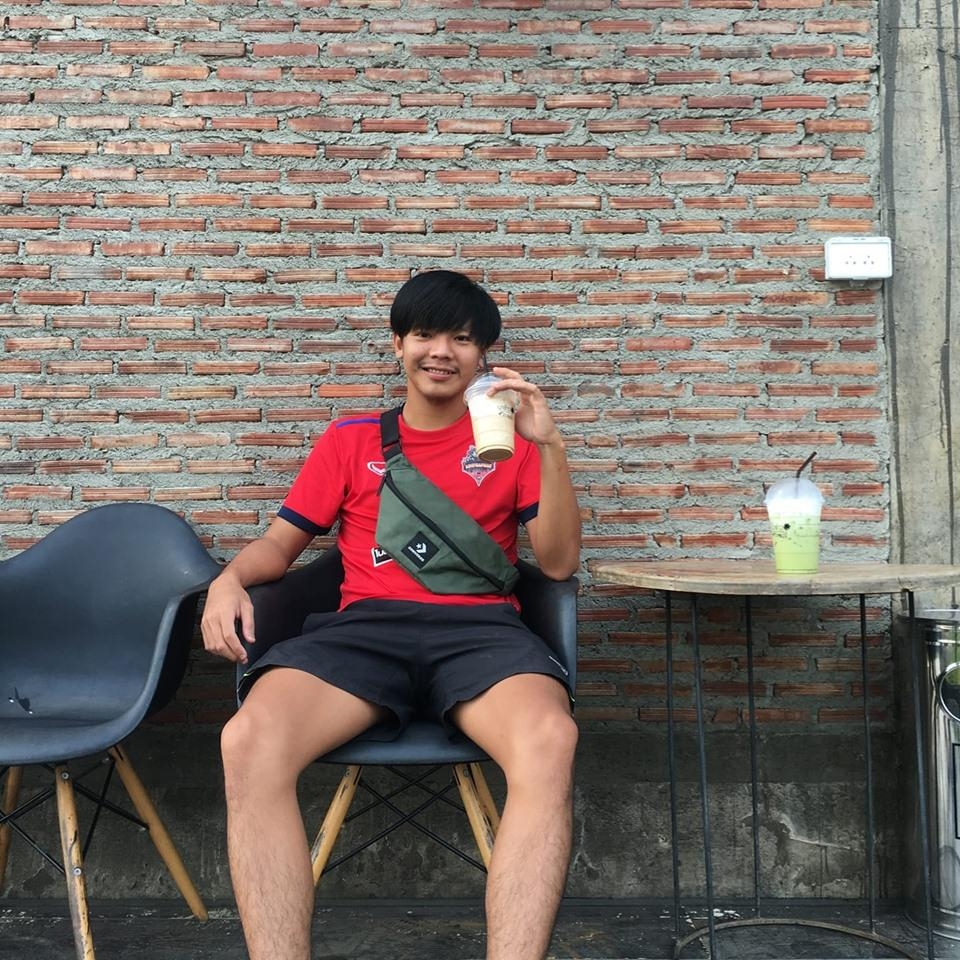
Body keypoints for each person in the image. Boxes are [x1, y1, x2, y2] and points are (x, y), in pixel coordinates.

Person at [201, 269, 581, 960]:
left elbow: (556, 564)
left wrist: (550, 445)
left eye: (461, 338)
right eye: (425, 334)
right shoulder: (350, 440)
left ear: (482, 356)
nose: (442, 351)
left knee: (550, 739)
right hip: (364, 632)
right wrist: (227, 581)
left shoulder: (514, 441)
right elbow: (280, 547)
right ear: (398, 344)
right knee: (247, 741)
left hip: (480, 633)